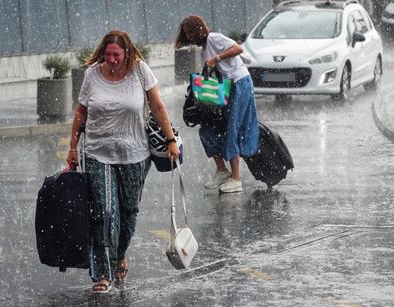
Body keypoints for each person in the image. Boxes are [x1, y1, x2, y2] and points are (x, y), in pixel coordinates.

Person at [66, 30, 180, 294]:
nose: (112, 60)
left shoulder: (140, 71)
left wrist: (171, 139)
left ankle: (120, 255)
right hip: (98, 153)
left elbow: (158, 106)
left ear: (126, 52)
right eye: (107, 55)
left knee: (129, 213)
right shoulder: (92, 74)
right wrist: (73, 147)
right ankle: (103, 274)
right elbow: (81, 111)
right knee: (105, 213)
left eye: (116, 54)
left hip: (135, 155)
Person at [175, 15, 259, 193]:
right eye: (186, 33)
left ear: (199, 29)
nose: (189, 36)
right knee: (208, 129)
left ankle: (236, 179)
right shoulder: (204, 48)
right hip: (226, 89)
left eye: (191, 32)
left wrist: (217, 59)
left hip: (240, 83)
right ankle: (222, 170)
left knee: (231, 128)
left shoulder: (214, 38)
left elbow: (238, 48)